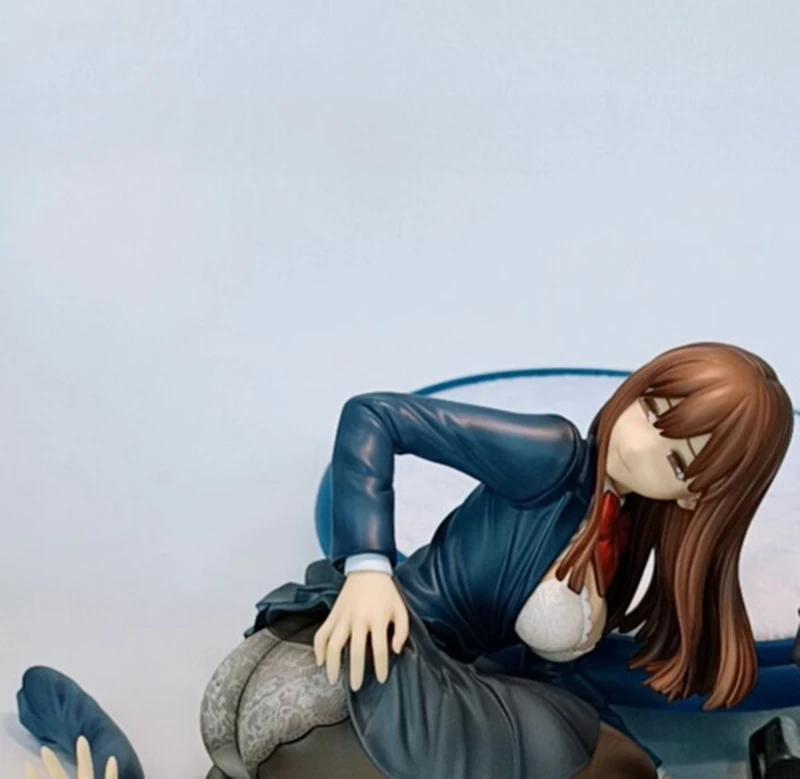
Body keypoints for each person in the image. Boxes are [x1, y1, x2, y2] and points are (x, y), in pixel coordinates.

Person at [198, 341, 794, 779]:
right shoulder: (554, 456)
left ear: (696, 496)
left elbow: (554, 674)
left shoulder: (617, 536)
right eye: (649, 409)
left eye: (678, 462)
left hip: (434, 678)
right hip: (379, 662)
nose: (640, 445)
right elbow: (374, 415)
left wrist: (642, 754)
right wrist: (368, 569)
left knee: (613, 757)